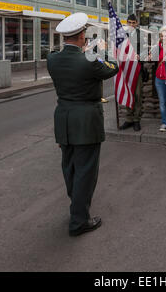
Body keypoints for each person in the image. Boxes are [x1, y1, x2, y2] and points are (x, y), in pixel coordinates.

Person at [47, 13, 119, 237]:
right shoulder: (89, 61)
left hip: (64, 120)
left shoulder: (52, 59)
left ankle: (75, 205)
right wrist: (100, 51)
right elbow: (113, 67)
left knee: (69, 167)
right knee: (86, 171)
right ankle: (79, 221)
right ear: (81, 37)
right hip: (86, 121)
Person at [119, 14, 144, 132]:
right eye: (129, 22)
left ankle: (136, 119)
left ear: (137, 23)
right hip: (125, 69)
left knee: (138, 95)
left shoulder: (141, 35)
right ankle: (129, 119)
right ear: (126, 23)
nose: (132, 25)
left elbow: (145, 51)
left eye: (134, 22)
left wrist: (140, 56)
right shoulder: (122, 35)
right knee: (128, 94)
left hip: (137, 69)